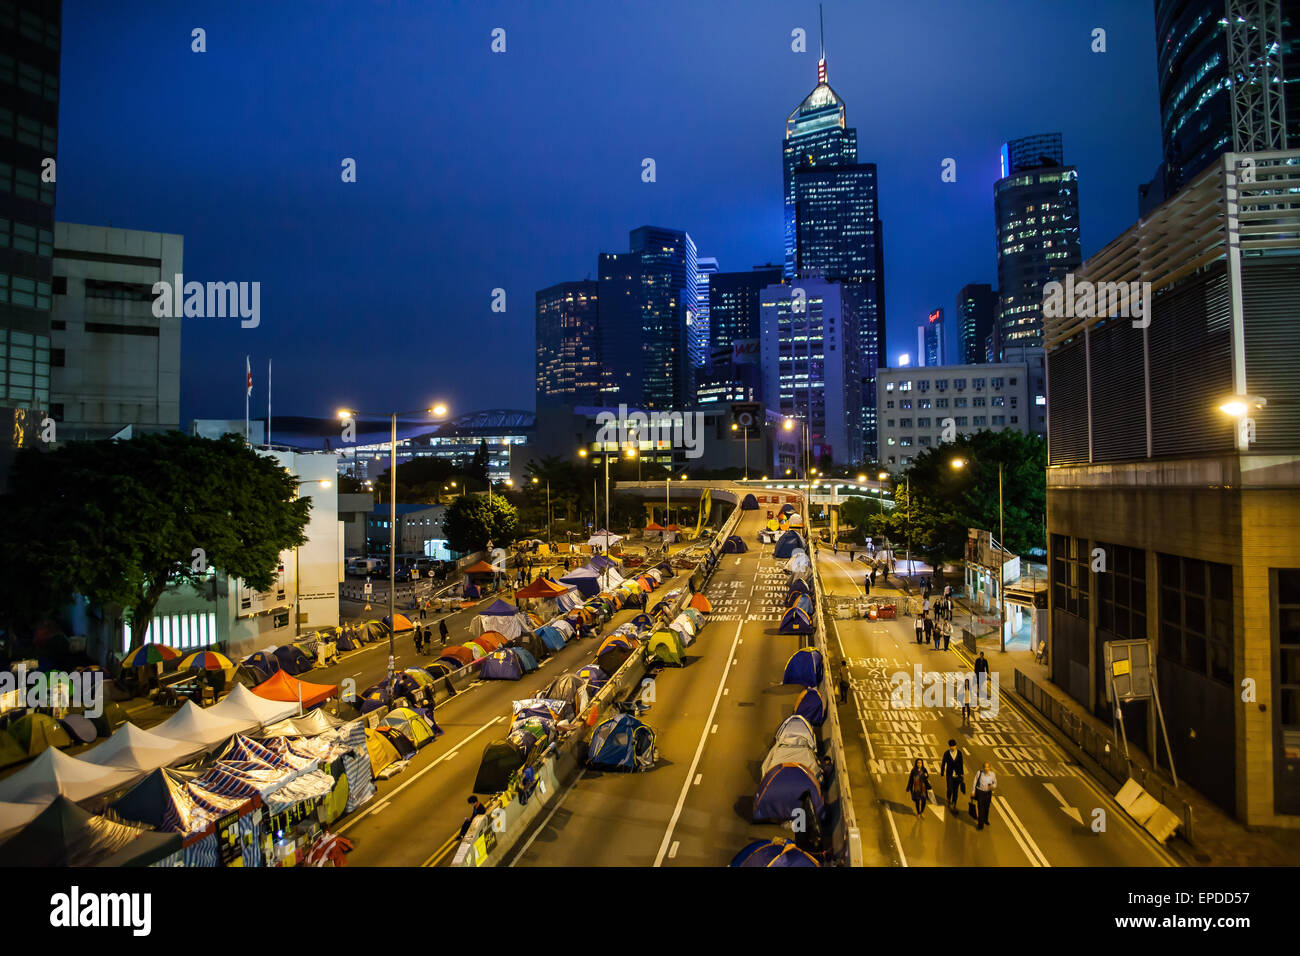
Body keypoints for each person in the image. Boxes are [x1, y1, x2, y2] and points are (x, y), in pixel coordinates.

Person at [940, 739, 965, 808]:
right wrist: (942, 772)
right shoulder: (947, 753)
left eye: (953, 746)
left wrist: (962, 773)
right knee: (950, 788)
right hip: (949, 774)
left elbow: (961, 763)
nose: (952, 747)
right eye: (951, 746)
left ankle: (954, 803)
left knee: (955, 791)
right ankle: (948, 798)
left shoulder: (959, 753)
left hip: (958, 775)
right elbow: (943, 763)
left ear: (956, 746)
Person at [972, 762, 997, 830]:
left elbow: (995, 783)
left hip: (988, 793)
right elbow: (975, 782)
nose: (986, 769)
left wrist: (992, 786)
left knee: (987, 807)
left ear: (989, 768)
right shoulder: (979, 773)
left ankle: (985, 819)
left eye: (988, 767)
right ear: (983, 768)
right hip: (980, 793)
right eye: (985, 767)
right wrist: (973, 791)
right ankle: (980, 824)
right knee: (980, 808)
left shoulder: (992, 775)